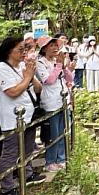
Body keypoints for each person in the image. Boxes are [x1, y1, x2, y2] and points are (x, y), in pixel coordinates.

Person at [0, 35, 46, 195]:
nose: (24, 53)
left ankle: (26, 174)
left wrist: (31, 74)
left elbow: (38, 88)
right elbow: (12, 92)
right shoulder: (0, 69)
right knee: (10, 152)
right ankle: (6, 188)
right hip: (12, 119)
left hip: (28, 116)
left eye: (25, 49)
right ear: (8, 51)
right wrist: (27, 76)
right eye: (20, 49)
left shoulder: (21, 67)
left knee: (27, 148)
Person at [35, 35, 71, 171]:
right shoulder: (40, 63)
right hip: (51, 102)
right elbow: (49, 80)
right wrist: (59, 65)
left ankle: (61, 158)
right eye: (52, 45)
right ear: (44, 49)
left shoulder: (58, 61)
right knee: (53, 133)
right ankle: (50, 161)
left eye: (56, 45)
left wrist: (65, 67)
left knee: (62, 131)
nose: (55, 48)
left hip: (63, 99)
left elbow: (69, 78)